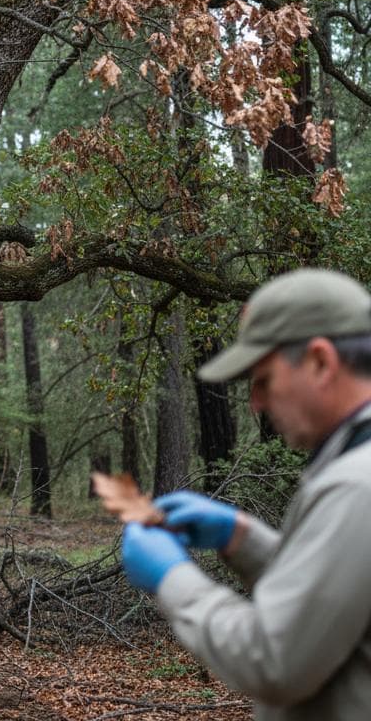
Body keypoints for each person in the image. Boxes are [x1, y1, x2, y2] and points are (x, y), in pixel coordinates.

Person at [120, 268, 371, 721]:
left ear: (320, 362)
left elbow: (273, 658)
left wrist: (171, 578)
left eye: (264, 379)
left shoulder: (358, 485)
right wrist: (242, 539)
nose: (256, 402)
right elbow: (330, 601)